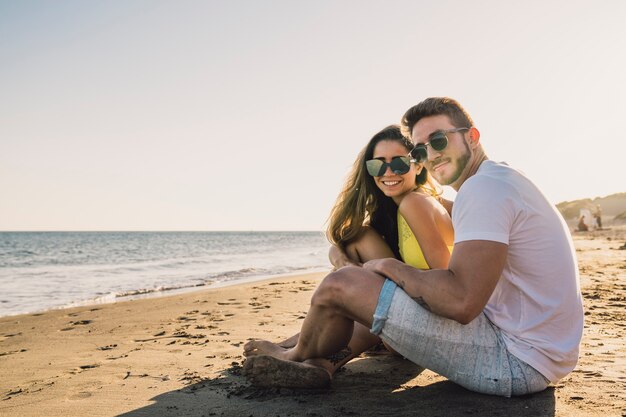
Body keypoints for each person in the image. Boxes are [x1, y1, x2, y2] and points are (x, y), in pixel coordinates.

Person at [243, 97, 583, 397]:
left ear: (472, 136)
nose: (430, 155)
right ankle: (317, 362)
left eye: (438, 140)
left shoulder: (483, 190)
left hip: (516, 359)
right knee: (354, 286)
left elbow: (462, 302)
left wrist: (391, 268)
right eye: (421, 149)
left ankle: (292, 355)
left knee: (340, 284)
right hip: (535, 352)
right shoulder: (494, 183)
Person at [253, 124, 454, 385]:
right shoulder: (393, 211)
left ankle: (296, 351)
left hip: (428, 328)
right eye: (377, 166)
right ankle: (321, 364)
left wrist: (364, 280)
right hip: (400, 328)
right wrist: (347, 266)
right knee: (358, 245)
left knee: (364, 288)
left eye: (400, 164)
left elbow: (445, 277)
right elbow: (341, 243)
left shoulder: (417, 202)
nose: (388, 172)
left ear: (418, 165)